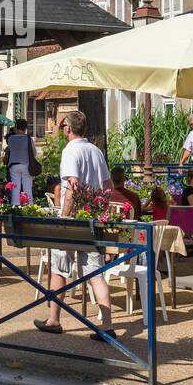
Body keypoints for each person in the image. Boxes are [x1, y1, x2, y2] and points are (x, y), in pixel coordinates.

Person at [34, 110, 117, 342]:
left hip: (73, 221)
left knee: (59, 268)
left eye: (62, 127)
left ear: (69, 129)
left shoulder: (71, 150)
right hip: (91, 218)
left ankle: (54, 320)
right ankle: (107, 326)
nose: (62, 130)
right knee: (96, 273)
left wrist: (63, 217)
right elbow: (108, 186)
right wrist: (101, 209)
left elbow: (72, 187)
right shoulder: (95, 150)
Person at [5, 119, 35, 205]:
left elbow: (10, 149)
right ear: (26, 128)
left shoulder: (10, 138)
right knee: (27, 188)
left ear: (16, 127)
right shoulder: (29, 139)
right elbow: (34, 153)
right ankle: (29, 208)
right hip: (26, 164)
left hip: (13, 165)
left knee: (15, 189)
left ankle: (15, 208)